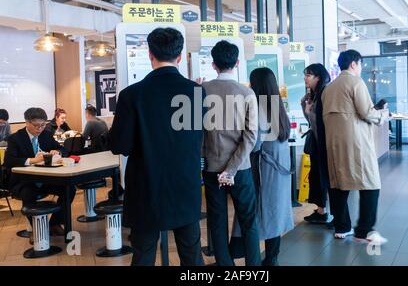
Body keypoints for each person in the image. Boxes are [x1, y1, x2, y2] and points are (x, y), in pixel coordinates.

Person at [109, 27, 205, 266]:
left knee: (143, 253)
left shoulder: (132, 95)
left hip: (146, 184)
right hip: (185, 183)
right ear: (180, 56)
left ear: (149, 54)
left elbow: (120, 145)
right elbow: (195, 138)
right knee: (191, 253)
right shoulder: (196, 92)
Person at [201, 40, 261, 266]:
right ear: (236, 63)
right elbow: (250, 136)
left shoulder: (202, 91)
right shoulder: (247, 93)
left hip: (211, 168)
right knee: (249, 221)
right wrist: (232, 168)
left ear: (213, 64)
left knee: (216, 222)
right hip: (241, 169)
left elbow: (197, 133)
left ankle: (226, 267)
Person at [322, 50, 389, 244]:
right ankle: (364, 230)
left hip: (333, 143)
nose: (361, 68)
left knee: (338, 183)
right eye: (360, 64)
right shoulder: (356, 82)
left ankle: (342, 227)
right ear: (354, 64)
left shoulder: (329, 87)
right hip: (356, 143)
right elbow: (367, 112)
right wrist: (383, 115)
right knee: (371, 183)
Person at [230, 67, 294, 266]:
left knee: (254, 212)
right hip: (280, 171)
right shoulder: (278, 107)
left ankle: (244, 255)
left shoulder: (258, 107)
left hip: (263, 171)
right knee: (274, 214)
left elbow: (254, 143)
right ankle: (272, 258)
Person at [3, 107, 76, 239]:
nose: (40, 129)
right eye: (36, 125)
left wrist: (57, 152)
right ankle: (37, 231)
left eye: (43, 125)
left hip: (45, 179)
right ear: (27, 122)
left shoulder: (46, 134)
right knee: (28, 192)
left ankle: (54, 223)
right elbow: (8, 161)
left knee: (69, 189)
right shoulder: (15, 138)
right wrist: (32, 160)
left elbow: (63, 149)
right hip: (23, 182)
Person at [301, 64, 333, 225]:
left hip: (324, 144)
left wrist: (307, 112)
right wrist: (305, 108)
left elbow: (320, 123)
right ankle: (321, 210)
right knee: (316, 176)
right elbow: (312, 123)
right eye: (305, 75)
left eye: (309, 75)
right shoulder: (314, 95)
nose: (305, 78)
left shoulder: (324, 94)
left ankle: (325, 212)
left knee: (322, 177)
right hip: (318, 143)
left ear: (318, 77)